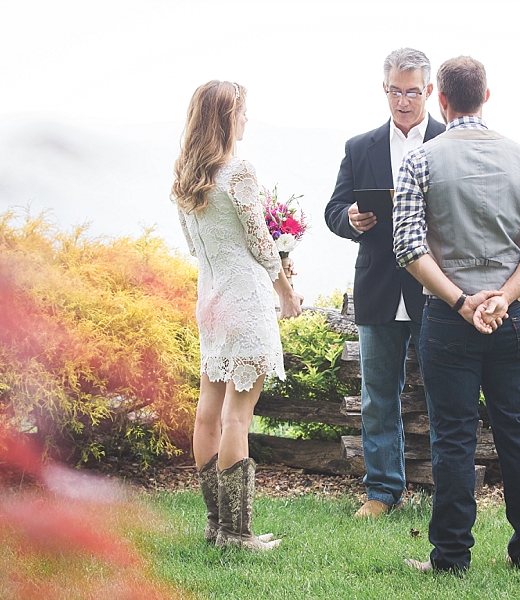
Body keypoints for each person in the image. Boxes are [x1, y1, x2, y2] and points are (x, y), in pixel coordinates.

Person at [393, 56, 520, 573]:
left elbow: (407, 245)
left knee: (453, 439)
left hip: (449, 320)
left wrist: (463, 302)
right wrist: (504, 297)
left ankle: (450, 558)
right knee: (518, 431)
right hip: (513, 319)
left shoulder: (421, 160)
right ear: (486, 96)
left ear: (440, 101)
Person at [171, 80, 303, 551]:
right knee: (238, 418)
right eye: (243, 111)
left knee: (208, 413)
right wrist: (285, 290)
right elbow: (261, 244)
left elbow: (194, 248)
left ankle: (216, 526)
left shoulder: (185, 180)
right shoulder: (239, 172)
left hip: (210, 301)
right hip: (245, 301)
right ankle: (238, 533)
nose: (247, 119)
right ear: (226, 117)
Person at [324, 48, 445, 518]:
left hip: (435, 292)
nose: (403, 101)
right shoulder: (360, 147)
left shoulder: (446, 142)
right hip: (377, 289)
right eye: (395, 91)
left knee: (444, 395)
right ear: (385, 89)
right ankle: (381, 492)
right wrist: (350, 219)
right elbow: (333, 211)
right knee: (377, 398)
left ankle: (447, 488)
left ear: (429, 91)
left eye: (412, 91)